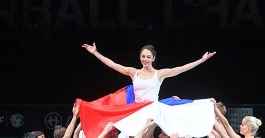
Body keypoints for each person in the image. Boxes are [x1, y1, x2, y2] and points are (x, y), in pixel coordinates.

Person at [81, 42, 216, 102]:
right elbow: (112, 64)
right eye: (143, 56)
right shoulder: (133, 72)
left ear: (153, 58)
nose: (145, 59)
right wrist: (95, 53)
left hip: (152, 111)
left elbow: (182, 68)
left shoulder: (160, 74)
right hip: (136, 110)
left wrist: (202, 60)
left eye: (148, 57)